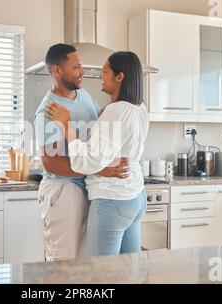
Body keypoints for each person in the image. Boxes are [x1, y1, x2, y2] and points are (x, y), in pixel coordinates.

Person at [45, 51, 150, 256]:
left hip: (112, 200)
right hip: (135, 197)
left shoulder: (115, 111)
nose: (100, 76)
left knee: (103, 274)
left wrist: (66, 126)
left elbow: (86, 162)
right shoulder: (139, 109)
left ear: (119, 76)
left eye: (104, 71)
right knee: (129, 270)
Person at [34, 44, 129, 261]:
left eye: (82, 65)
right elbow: (50, 163)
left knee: (85, 264)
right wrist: (99, 170)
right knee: (63, 262)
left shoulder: (83, 95)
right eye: (76, 67)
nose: (82, 72)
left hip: (89, 186)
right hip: (64, 190)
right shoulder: (49, 110)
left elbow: (100, 117)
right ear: (57, 71)